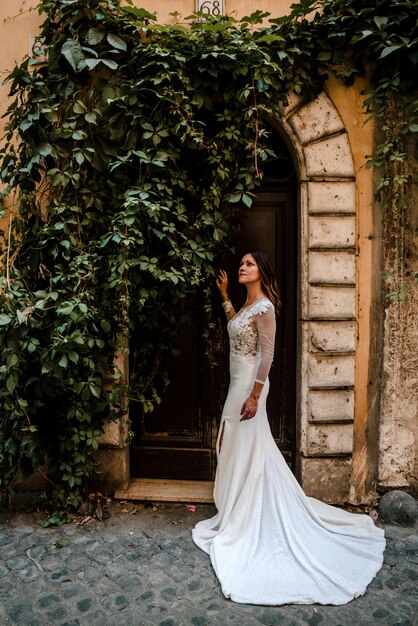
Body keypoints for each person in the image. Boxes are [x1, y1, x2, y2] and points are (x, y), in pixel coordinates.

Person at [192, 250, 385, 606]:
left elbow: (267, 355)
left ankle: (248, 512)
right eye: (242, 264)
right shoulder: (247, 306)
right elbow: (237, 330)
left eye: (249, 264)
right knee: (234, 442)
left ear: (261, 271)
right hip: (237, 384)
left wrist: (254, 395)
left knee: (245, 441)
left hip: (250, 385)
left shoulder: (266, 308)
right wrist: (223, 297)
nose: (242, 267)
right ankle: (237, 506)